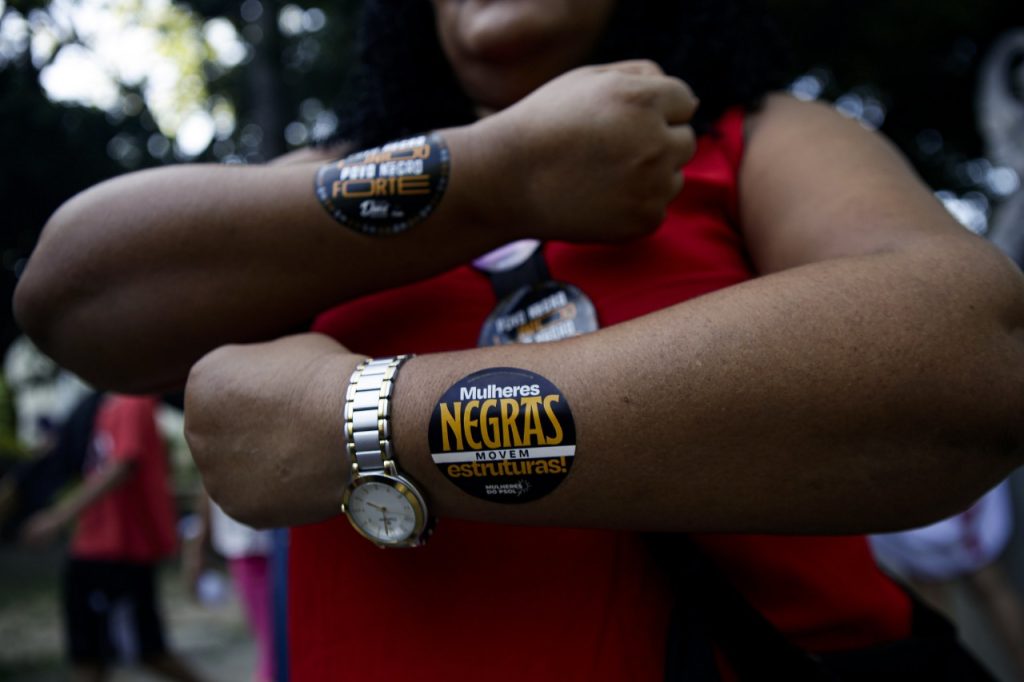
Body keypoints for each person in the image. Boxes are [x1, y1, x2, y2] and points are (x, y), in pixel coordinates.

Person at [12, 0, 1024, 679]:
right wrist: (491, 173)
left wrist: (363, 424)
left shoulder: (752, 137)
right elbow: (71, 294)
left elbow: (974, 353)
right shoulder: (327, 179)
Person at [20, 393, 204, 682]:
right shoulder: (96, 404)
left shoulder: (130, 400)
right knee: (91, 653)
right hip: (96, 546)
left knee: (141, 650)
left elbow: (123, 465)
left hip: (119, 549)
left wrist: (57, 516)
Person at [184, 486, 276, 682]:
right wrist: (198, 546)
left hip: (264, 543)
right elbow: (209, 482)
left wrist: (197, 546)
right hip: (252, 544)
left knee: (275, 649)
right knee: (274, 648)